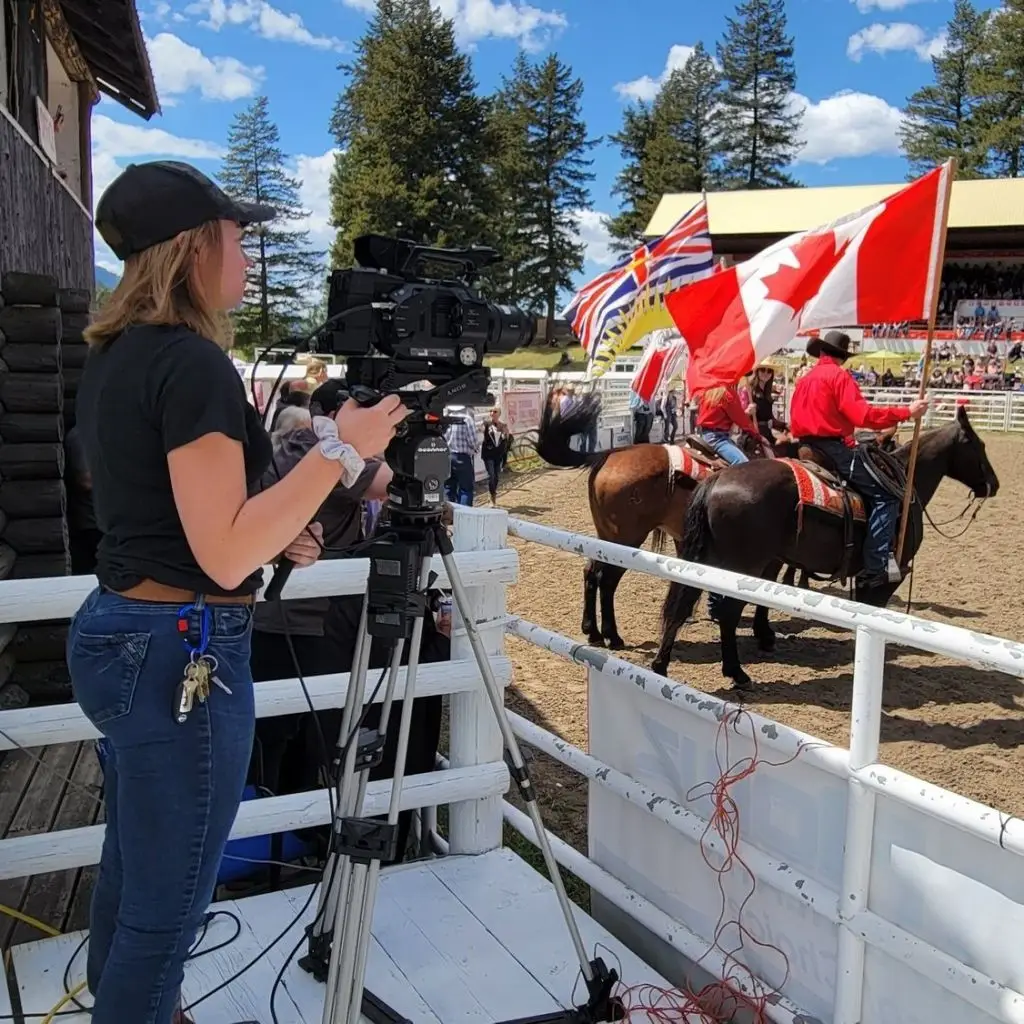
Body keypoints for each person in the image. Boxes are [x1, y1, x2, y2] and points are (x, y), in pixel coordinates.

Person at [67, 159, 408, 1024]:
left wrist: (270, 526)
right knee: (171, 895)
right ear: (189, 251)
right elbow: (222, 556)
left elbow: (185, 520)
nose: (246, 257)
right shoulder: (193, 365)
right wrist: (342, 447)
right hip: (182, 647)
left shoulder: (117, 358)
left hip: (125, 630)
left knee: (135, 865)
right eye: (235, 237)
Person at [789, 330, 928, 589]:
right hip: (834, 449)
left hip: (805, 447)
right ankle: (875, 565)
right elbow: (862, 415)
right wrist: (906, 412)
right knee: (886, 495)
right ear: (843, 356)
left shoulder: (805, 379)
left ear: (821, 352)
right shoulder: (839, 376)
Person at [694, 382, 764, 464]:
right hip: (717, 438)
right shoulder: (727, 394)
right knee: (743, 463)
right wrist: (758, 436)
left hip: (704, 434)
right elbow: (741, 420)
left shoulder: (708, 392)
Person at [444, 404, 479, 505]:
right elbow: (473, 441)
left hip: (448, 457)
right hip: (462, 458)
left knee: (449, 487)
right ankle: (464, 514)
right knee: (466, 489)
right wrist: (476, 449)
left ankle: (448, 515)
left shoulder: (447, 420)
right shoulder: (467, 419)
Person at [481, 407, 509, 505]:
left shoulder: (503, 425)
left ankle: (493, 493)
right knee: (491, 475)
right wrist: (483, 428)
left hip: (498, 454)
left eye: (495, 411)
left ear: (499, 414)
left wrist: (506, 434)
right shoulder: (486, 424)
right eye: (491, 411)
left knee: (496, 476)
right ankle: (492, 496)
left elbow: (506, 439)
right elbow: (481, 430)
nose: (492, 413)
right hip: (488, 454)